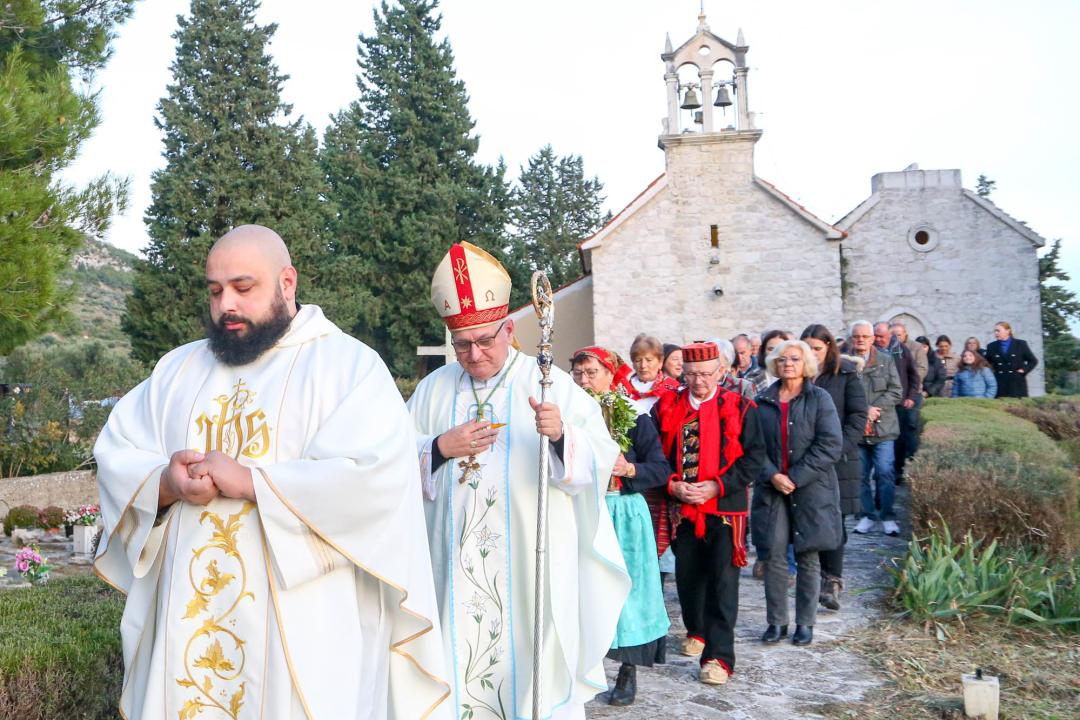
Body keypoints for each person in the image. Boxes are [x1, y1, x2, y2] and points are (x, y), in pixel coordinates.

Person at [93, 225, 448, 719]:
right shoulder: (177, 370)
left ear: (287, 282)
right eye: (215, 291)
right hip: (185, 627)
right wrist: (166, 483)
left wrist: (255, 483)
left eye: (243, 288)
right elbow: (118, 451)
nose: (225, 306)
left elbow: (375, 477)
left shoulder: (347, 367)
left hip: (303, 633)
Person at [407, 242, 630, 720]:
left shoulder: (548, 383)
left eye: (485, 340)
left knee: (527, 673)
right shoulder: (433, 389)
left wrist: (561, 437)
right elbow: (390, 464)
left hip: (531, 567)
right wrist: (440, 448)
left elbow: (600, 458)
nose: (473, 353)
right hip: (449, 564)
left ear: (509, 328)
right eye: (461, 343)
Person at [654, 342, 765, 686]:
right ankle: (696, 629)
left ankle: (718, 657)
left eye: (705, 374)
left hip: (725, 511)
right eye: (690, 375)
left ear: (720, 372)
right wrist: (672, 484)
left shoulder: (742, 408)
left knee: (722, 582)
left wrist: (718, 486)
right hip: (681, 508)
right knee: (687, 578)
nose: (698, 381)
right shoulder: (666, 407)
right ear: (681, 373)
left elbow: (753, 459)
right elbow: (654, 454)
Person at [570, 347, 671, 706]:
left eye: (591, 372)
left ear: (611, 374)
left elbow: (661, 468)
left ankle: (628, 672)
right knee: (580, 589)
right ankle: (580, 670)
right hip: (578, 511)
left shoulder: (633, 418)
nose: (584, 380)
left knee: (626, 591)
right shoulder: (566, 418)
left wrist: (630, 470)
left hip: (623, 514)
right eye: (578, 373)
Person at [753, 339, 843, 647]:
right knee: (774, 555)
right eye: (782, 360)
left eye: (794, 358)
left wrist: (795, 477)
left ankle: (805, 623)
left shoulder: (820, 398)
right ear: (774, 365)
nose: (788, 364)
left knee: (807, 555)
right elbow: (751, 445)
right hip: (772, 489)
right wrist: (773, 475)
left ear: (806, 363)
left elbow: (830, 444)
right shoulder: (762, 400)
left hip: (812, 488)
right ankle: (776, 621)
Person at [801, 324, 868, 611]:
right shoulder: (800, 376)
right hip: (805, 459)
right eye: (809, 348)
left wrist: (838, 448)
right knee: (810, 516)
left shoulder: (846, 375)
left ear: (829, 347)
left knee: (835, 520)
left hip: (838, 460)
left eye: (818, 348)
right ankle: (810, 578)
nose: (813, 353)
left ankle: (833, 580)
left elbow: (858, 416)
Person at [848, 321, 903, 537]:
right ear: (851, 339)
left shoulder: (885, 360)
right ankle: (867, 516)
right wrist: (862, 411)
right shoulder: (844, 363)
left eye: (865, 336)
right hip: (857, 430)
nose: (860, 339)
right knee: (859, 475)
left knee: (885, 472)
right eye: (856, 336)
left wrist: (875, 408)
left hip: (884, 428)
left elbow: (896, 390)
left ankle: (888, 516)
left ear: (872, 338)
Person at [874, 322, 920, 483]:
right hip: (877, 403)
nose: (878, 339)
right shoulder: (871, 351)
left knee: (899, 438)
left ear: (889, 335)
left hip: (898, 402)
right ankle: (880, 471)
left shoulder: (901, 350)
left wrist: (911, 396)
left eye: (881, 336)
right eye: (876, 336)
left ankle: (897, 470)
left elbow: (914, 374)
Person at [619, 333, 680, 412]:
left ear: (660, 362)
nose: (643, 365)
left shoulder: (673, 388)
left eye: (649, 360)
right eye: (638, 360)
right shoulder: (624, 389)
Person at [984, 322, 1038, 398]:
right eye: (995, 331)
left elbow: (1033, 361)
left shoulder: (1020, 344)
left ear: (1008, 331)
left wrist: (1023, 370)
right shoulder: (991, 346)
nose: (996, 333)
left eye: (998, 331)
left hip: (1016, 382)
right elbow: (986, 363)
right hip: (999, 381)